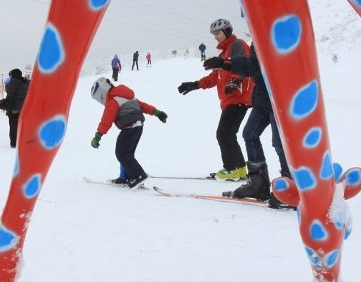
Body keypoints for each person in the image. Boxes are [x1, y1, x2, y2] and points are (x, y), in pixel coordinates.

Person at [204, 44, 292, 208]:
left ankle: (290, 187)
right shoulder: (256, 39)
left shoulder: (271, 34)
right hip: (262, 98)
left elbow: (256, 65)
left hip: (279, 96)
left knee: (279, 143)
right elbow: (254, 63)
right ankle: (258, 185)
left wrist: (226, 64)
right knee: (249, 134)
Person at [178, 18, 253, 181]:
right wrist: (194, 85)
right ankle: (239, 169)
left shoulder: (237, 45)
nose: (215, 37)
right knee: (229, 133)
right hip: (230, 99)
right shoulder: (223, 54)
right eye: (214, 34)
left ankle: (231, 169)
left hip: (238, 96)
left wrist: (235, 81)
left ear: (227, 32)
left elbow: (243, 64)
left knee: (224, 133)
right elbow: (214, 78)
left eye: (217, 33)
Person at [90, 77, 168, 189]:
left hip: (130, 127)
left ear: (101, 94)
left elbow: (106, 120)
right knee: (126, 154)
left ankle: (139, 175)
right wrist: (157, 112)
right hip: (138, 126)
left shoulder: (113, 101)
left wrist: (98, 136)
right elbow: (142, 106)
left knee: (122, 153)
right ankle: (125, 178)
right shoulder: (127, 96)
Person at [4, 68, 28, 148]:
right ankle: (21, 142)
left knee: (12, 126)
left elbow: (7, 90)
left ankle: (13, 143)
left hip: (11, 108)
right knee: (21, 126)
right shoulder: (23, 84)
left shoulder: (9, 84)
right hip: (22, 109)